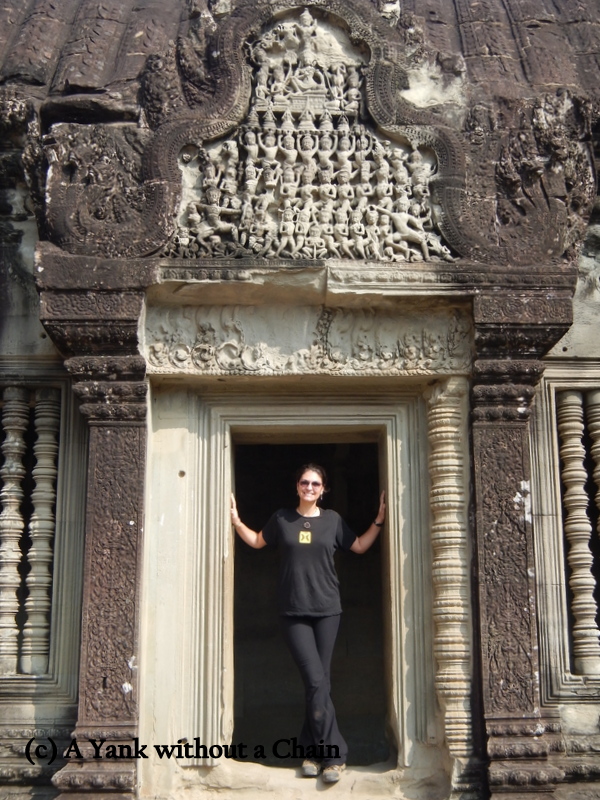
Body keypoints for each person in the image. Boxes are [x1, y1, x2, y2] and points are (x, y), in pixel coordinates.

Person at [230, 464, 385, 784]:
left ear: (323, 488)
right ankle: (335, 755)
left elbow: (358, 546)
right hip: (293, 613)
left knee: (320, 683)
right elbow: (258, 541)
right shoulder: (282, 518)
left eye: (316, 483)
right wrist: (235, 521)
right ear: (297, 486)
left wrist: (379, 520)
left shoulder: (333, 521)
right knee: (316, 681)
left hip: (328, 611)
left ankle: (310, 752)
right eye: (304, 482)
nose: (310, 487)